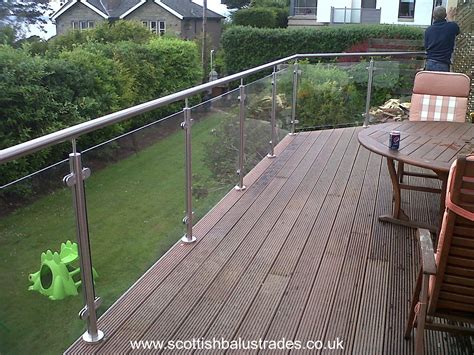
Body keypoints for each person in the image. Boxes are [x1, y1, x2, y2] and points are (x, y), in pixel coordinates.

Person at [424, 6, 460, 72]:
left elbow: (426, 47)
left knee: (429, 82)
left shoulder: (428, 30)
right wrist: (450, 17)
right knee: (442, 82)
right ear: (445, 16)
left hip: (430, 63)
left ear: (433, 16)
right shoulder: (451, 27)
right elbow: (456, 30)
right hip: (443, 64)